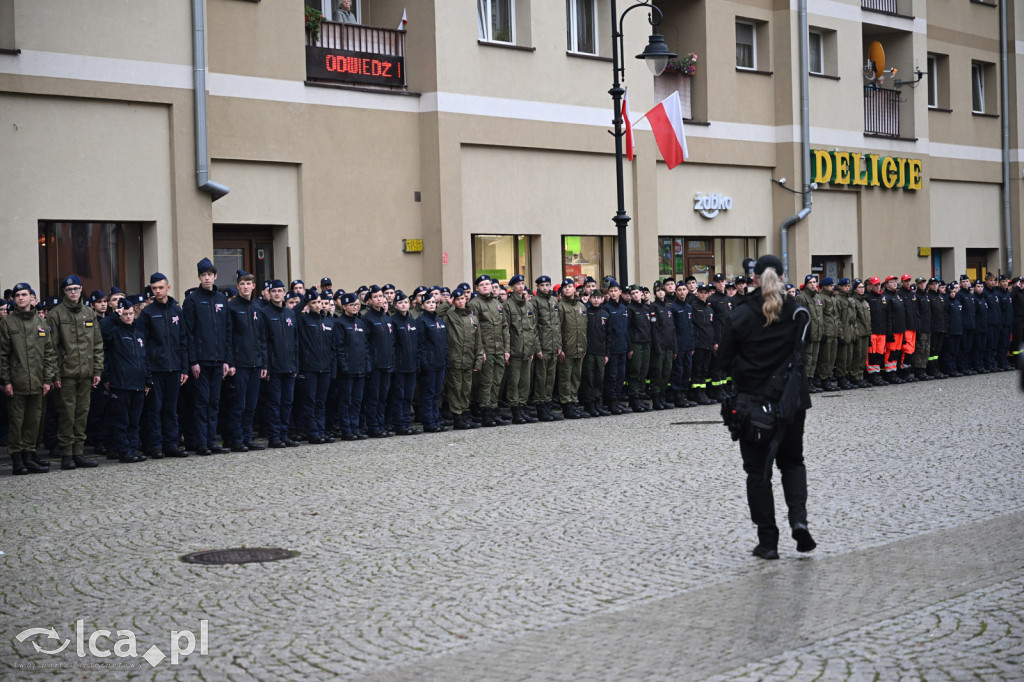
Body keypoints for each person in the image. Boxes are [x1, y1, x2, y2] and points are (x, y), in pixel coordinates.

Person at [718, 254, 816, 561]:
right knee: (792, 462)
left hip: (753, 405)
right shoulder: (798, 311)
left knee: (758, 474)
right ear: (783, 276)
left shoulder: (743, 313)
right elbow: (805, 348)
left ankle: (768, 541)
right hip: (791, 401)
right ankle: (799, 520)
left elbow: (722, 361)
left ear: (755, 278)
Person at [48, 274, 104, 470]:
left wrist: (97, 369)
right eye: (69, 290)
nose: (73, 292)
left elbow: (97, 344)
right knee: (67, 415)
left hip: (86, 372)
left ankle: (78, 452)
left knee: (82, 414)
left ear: (81, 290)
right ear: (64, 292)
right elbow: (51, 349)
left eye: (76, 289)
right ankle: (66, 454)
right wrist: (54, 375)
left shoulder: (88, 313)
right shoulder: (55, 314)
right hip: (66, 374)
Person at [1, 283, 57, 474]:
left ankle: (29, 456)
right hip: (17, 382)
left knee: (34, 421)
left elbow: (49, 353)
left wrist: (48, 379)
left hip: (38, 381)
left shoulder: (40, 323)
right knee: (17, 421)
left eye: (24, 294)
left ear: (32, 297)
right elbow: (3, 355)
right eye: (17, 295)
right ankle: (17, 459)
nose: (21, 298)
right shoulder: (7, 323)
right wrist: (6, 381)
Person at [136, 272, 189, 458]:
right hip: (156, 369)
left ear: (168, 288)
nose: (157, 291)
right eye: (154, 288)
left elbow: (183, 341)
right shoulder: (147, 313)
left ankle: (171, 444)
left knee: (171, 409)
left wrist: (184, 368)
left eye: (161, 287)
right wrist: (147, 373)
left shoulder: (176, 311)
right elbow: (142, 344)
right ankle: (156, 446)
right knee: (154, 410)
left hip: (174, 368)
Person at [183, 258, 231, 456]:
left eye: (210, 275)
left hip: (218, 359)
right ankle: (201, 442)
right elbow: (189, 333)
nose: (207, 278)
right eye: (203, 275)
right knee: (201, 402)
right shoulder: (192, 300)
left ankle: (212, 441)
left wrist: (227, 359)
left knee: (214, 402)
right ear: (199, 277)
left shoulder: (221, 299)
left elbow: (227, 331)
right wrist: (193, 361)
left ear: (215, 276)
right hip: (201, 361)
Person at [102, 298, 152, 463]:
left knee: (134, 421)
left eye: (131, 313)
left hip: (138, 384)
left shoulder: (138, 333)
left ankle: (132, 449)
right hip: (121, 384)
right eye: (125, 314)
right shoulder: (114, 332)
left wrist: (148, 380)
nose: (129, 317)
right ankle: (123, 451)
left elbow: (144, 359)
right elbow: (104, 338)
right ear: (120, 315)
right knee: (121, 421)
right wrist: (113, 316)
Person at [224, 269, 268, 451]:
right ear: (237, 287)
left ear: (253, 286)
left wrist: (264, 363)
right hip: (239, 364)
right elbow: (228, 337)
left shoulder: (258, 308)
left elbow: (262, 338)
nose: (245, 287)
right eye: (242, 284)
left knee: (251, 404)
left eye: (248, 284)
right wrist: (231, 362)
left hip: (255, 363)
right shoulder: (232, 308)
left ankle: (247, 437)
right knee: (238, 404)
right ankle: (236, 439)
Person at [262, 280, 300, 448]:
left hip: (290, 366)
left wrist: (296, 365)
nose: (277, 294)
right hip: (274, 367)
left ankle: (284, 434)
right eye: (274, 291)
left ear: (285, 292)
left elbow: (295, 341)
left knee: (287, 402)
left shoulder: (290, 314)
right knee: (274, 403)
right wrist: (266, 366)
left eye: (279, 291)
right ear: (269, 294)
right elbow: (263, 342)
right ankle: (274, 436)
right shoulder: (265, 313)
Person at [557, 278, 587, 419]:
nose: (568, 289)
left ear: (575, 289)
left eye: (570, 286)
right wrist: (560, 347)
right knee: (565, 378)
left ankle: (574, 403)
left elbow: (584, 328)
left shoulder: (581, 306)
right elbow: (557, 329)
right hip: (566, 348)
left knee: (576, 377)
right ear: (562, 290)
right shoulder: (560, 306)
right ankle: (566, 404)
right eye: (565, 287)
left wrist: (584, 344)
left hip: (579, 347)